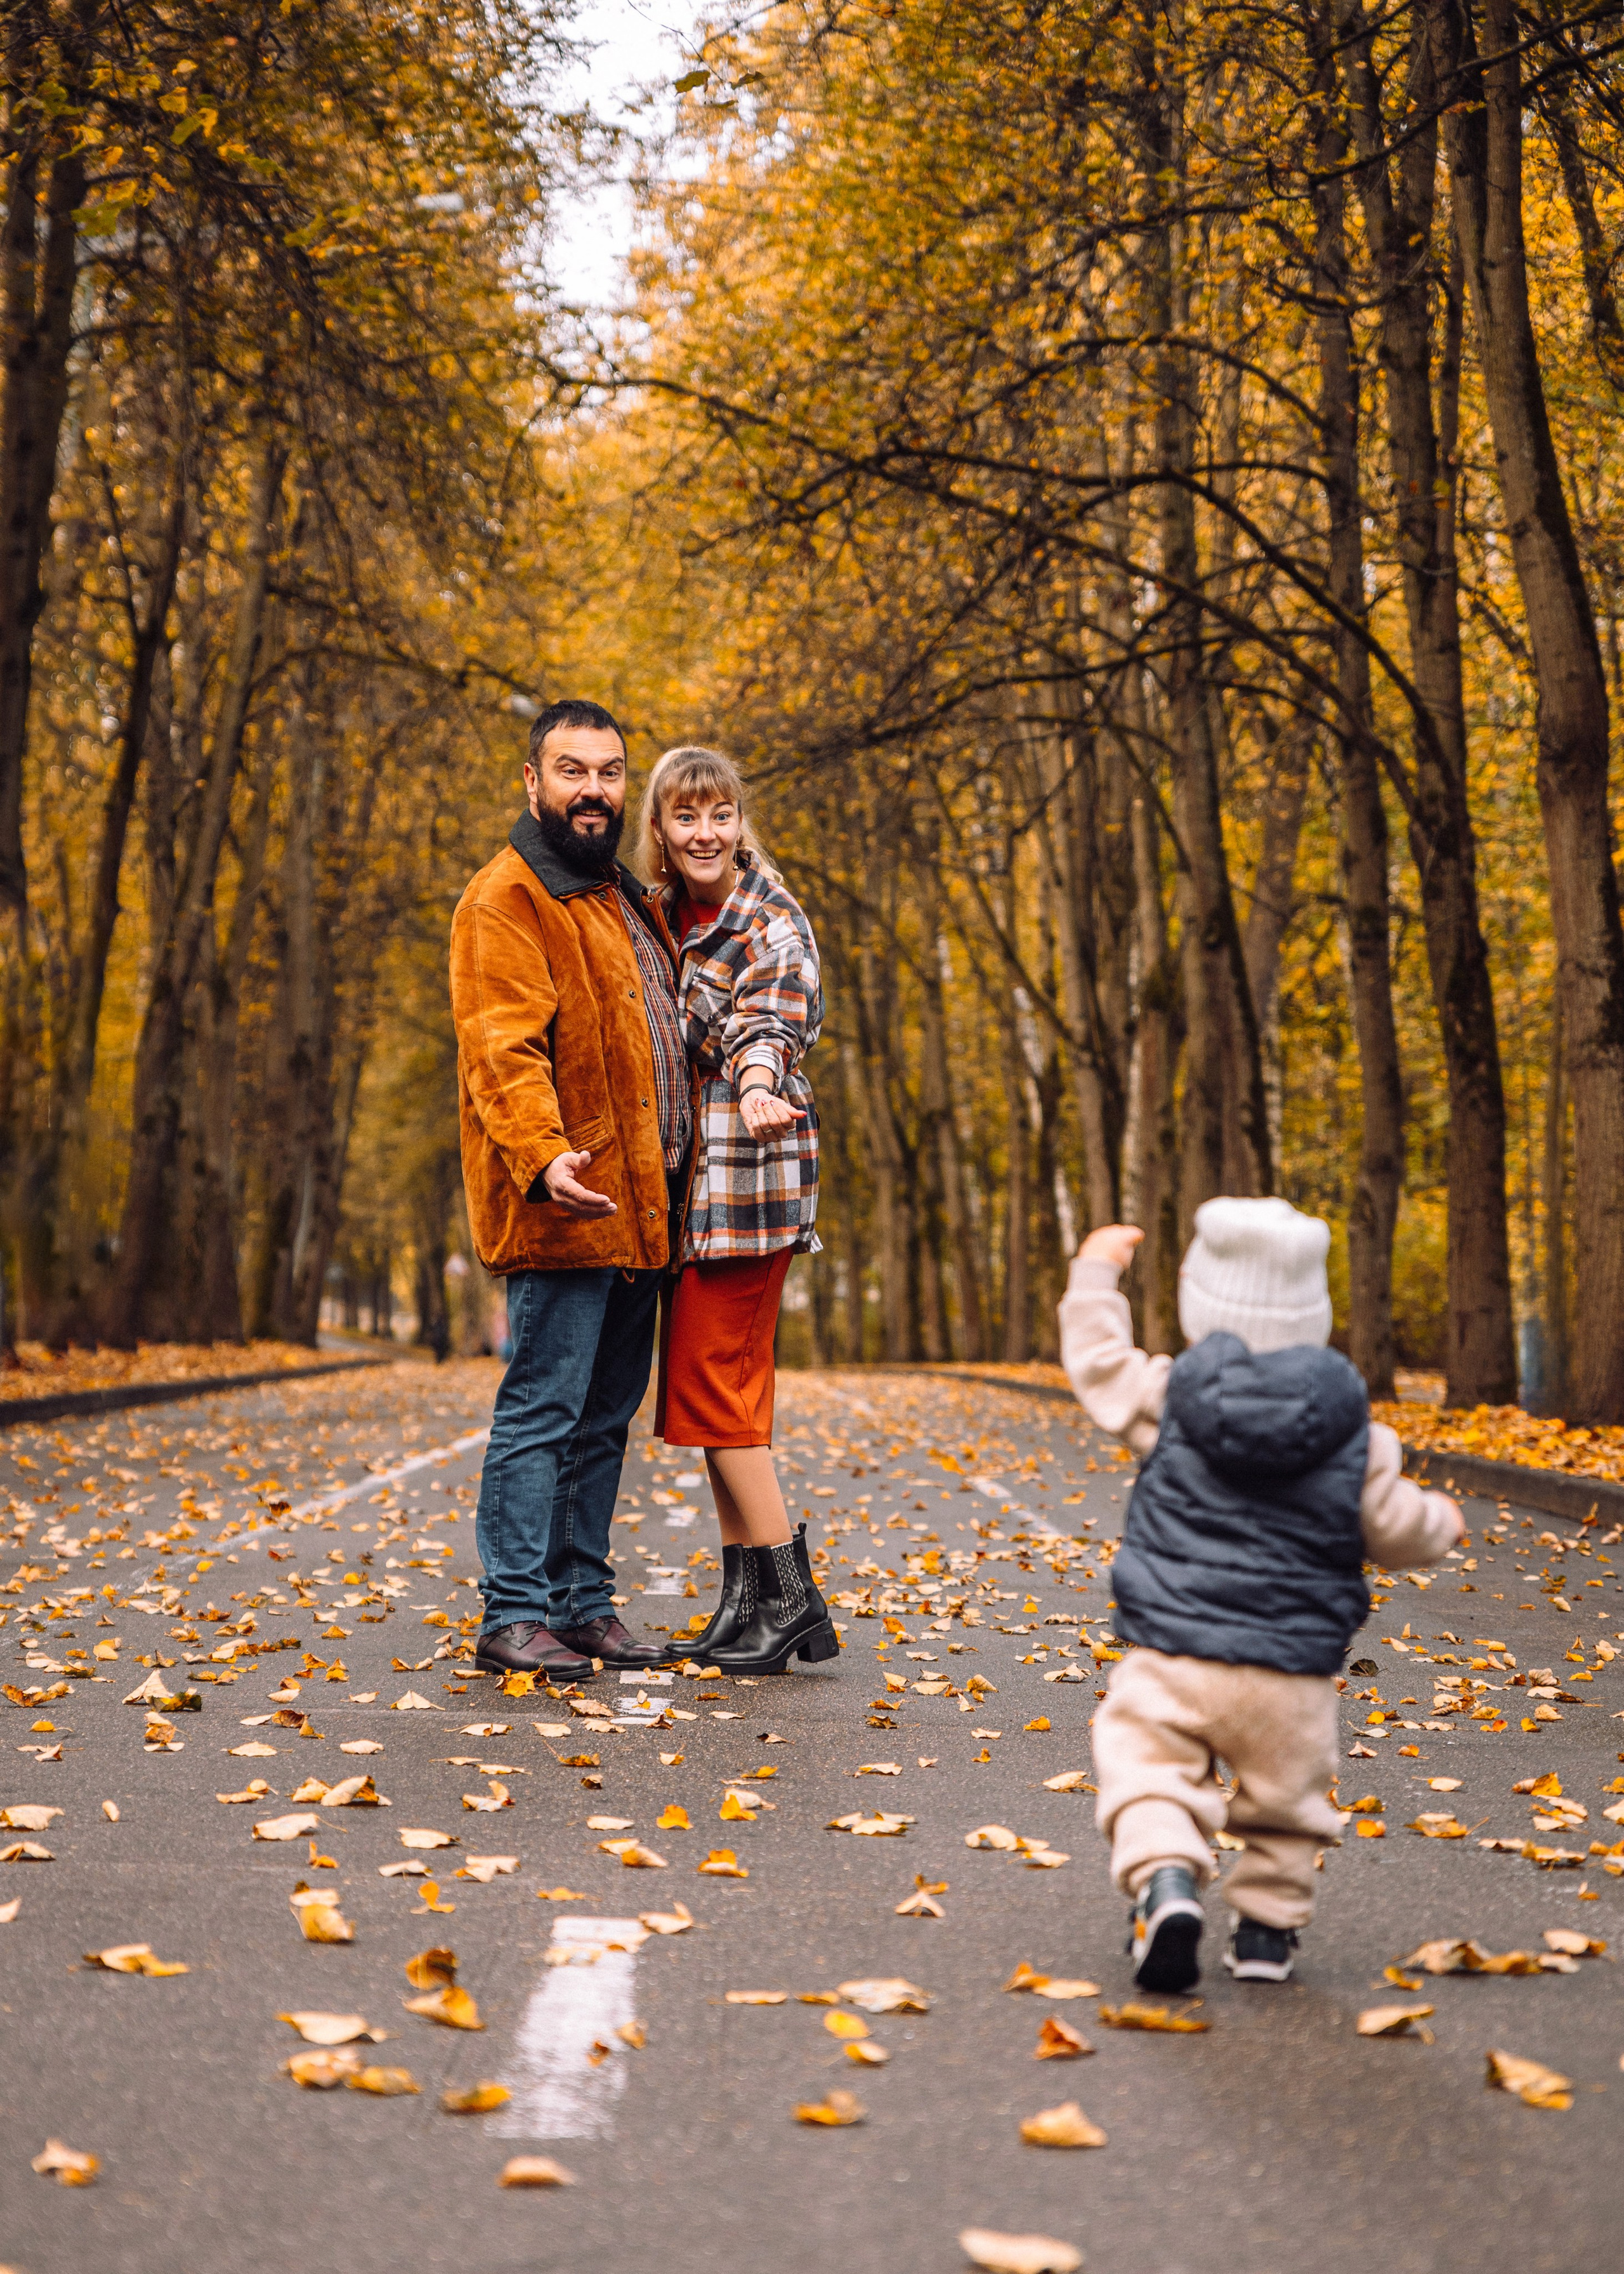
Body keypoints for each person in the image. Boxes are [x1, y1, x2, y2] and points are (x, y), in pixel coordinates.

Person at [1058, 1197, 1462, 1990]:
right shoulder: (1357, 1434)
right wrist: (1440, 1519)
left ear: (1200, 1306)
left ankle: (1166, 1877)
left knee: (1144, 1769)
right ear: (1312, 1316)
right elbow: (1399, 1528)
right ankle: (1267, 1934)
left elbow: (1098, 1358)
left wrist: (1097, 1270)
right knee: (1287, 1805)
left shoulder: (1169, 1395)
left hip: (1173, 1655)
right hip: (1291, 1672)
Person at [449, 698, 685, 1683]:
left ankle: (581, 1605)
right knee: (542, 1411)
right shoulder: (508, 898)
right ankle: (514, 1612)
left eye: (610, 771)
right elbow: (502, 1048)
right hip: (566, 1204)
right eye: (572, 769)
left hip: (640, 1212)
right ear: (532, 781)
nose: (594, 788)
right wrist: (546, 1157)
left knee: (602, 1419)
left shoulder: (617, 894)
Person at [636, 745, 837, 1676]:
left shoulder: (770, 919)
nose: (705, 833)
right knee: (711, 1397)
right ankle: (744, 1602)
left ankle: (792, 1604)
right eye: (687, 818)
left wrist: (759, 1081)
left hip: (751, 1186)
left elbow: (773, 1020)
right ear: (664, 832)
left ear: (739, 822)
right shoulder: (664, 917)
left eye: (720, 815)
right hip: (698, 1198)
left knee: (716, 1392)